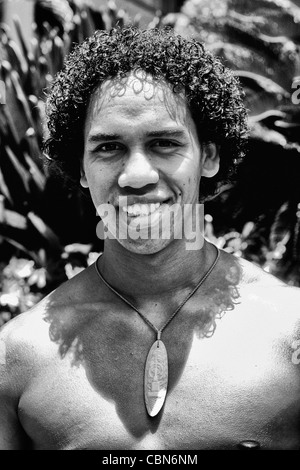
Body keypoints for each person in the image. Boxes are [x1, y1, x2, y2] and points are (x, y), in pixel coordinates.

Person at [0, 26, 300, 451]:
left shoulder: (290, 334)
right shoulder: (18, 358)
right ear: (82, 168)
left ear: (209, 156)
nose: (136, 175)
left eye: (163, 143)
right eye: (108, 148)